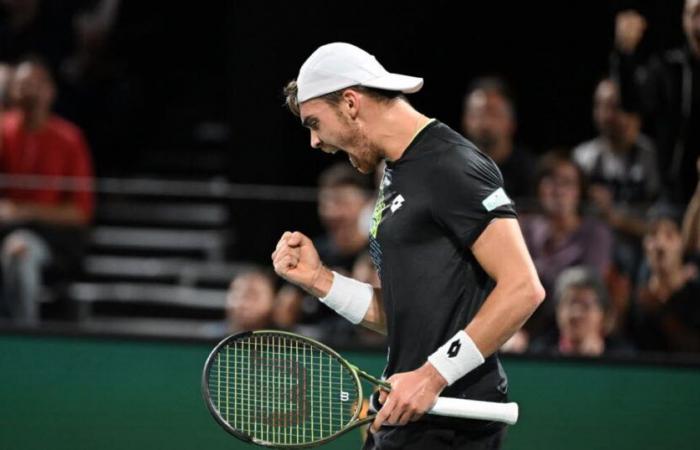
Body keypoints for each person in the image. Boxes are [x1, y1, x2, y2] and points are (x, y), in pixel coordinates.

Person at [272, 42, 544, 449]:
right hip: (414, 417)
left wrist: (430, 377)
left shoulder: (451, 165)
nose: (315, 141)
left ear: (350, 103)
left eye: (314, 122)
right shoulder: (397, 171)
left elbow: (524, 288)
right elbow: (411, 314)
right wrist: (321, 281)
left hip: (452, 423)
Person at [0, 57, 94, 324]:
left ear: (51, 91)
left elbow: (79, 212)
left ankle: (22, 341)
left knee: (19, 251)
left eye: (36, 84)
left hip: (53, 240)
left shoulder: (69, 138)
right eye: (22, 85)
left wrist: (23, 211)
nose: (29, 91)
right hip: (4, 229)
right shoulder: (3, 131)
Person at [272, 162, 373, 342]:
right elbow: (283, 315)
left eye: (343, 203)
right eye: (327, 203)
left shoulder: (379, 252)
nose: (334, 213)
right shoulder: (312, 252)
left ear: (366, 205)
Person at [611, 1, 700, 204]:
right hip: (675, 194)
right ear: (683, 21)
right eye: (692, 14)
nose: (698, 24)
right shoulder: (668, 68)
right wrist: (625, 53)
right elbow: (632, 103)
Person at [573, 78, 660, 238]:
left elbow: (659, 225)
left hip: (640, 246)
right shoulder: (582, 157)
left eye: (617, 106)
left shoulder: (651, 156)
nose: (610, 116)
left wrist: (614, 217)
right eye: (602, 106)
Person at [634, 205, 700, 353]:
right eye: (652, 235)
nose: (660, 244)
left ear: (681, 243)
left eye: (669, 235)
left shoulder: (695, 293)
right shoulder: (634, 294)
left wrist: (661, 314)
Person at [529, 266, 634, 357]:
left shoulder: (623, 357)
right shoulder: (539, 353)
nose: (576, 313)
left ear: (603, 314)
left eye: (586, 305)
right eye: (570, 303)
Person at [461, 77, 536, 201]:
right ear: (465, 121)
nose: (485, 122)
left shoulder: (531, 173)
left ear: (511, 122)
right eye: (477, 114)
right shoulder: (450, 169)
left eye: (493, 113)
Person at [225, 269, 276, 333]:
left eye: (253, 297)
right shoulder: (210, 336)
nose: (243, 304)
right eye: (237, 295)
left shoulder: (287, 340)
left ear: (272, 301)